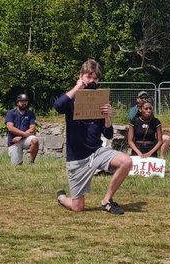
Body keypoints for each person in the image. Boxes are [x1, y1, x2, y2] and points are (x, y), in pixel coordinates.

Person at [54, 59, 132, 215]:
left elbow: (108, 134)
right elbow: (58, 106)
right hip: (77, 158)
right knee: (78, 207)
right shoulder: (72, 98)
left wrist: (108, 117)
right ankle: (62, 197)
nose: (92, 81)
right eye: (89, 77)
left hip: (97, 152)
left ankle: (106, 201)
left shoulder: (100, 99)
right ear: (81, 76)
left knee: (126, 161)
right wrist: (77, 87)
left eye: (95, 78)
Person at [128, 91, 170, 155]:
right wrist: (139, 153)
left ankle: (162, 158)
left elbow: (160, 141)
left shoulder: (156, 121)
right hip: (138, 149)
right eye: (146, 109)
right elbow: (130, 140)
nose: (148, 111)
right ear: (140, 109)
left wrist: (150, 153)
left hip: (151, 149)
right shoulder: (134, 119)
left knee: (166, 138)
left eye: (150, 109)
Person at [6, 93, 39, 165]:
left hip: (24, 138)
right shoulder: (11, 113)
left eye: (25, 101)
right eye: (22, 101)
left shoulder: (31, 114)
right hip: (13, 141)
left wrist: (21, 136)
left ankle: (31, 162)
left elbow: (32, 129)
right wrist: (23, 134)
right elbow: (10, 128)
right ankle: (18, 161)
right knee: (16, 166)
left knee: (34, 140)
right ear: (17, 102)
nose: (24, 103)